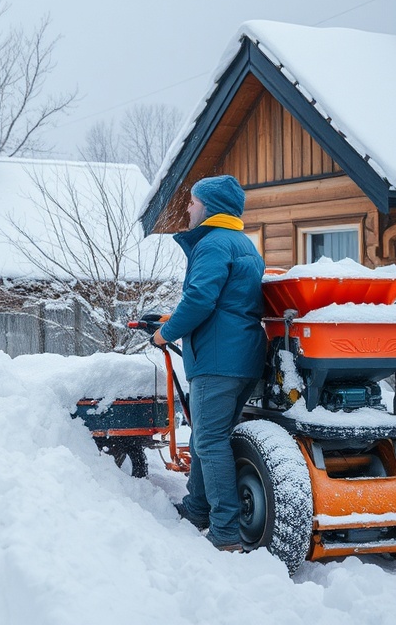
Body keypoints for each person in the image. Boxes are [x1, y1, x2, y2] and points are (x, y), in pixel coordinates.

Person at [152, 174, 265, 552]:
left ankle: (226, 529)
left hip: (218, 359)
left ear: (210, 207)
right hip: (243, 355)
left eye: (193, 202)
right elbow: (228, 301)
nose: (188, 208)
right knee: (209, 435)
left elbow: (201, 299)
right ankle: (199, 507)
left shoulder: (213, 243)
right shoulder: (243, 244)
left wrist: (165, 333)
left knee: (210, 440)